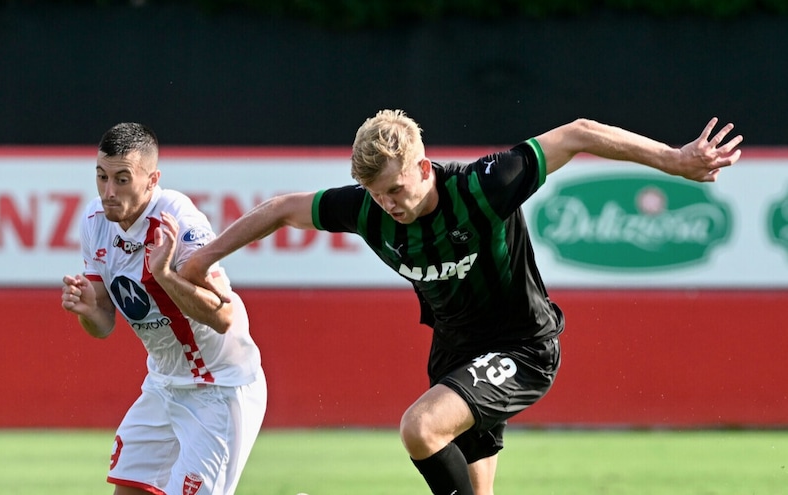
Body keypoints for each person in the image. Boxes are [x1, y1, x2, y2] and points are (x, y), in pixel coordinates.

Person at [178, 110, 742, 495]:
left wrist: (674, 160)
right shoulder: (368, 210)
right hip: (455, 355)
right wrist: (201, 261)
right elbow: (280, 209)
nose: (388, 204)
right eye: (375, 193)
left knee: (420, 429)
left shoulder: (481, 187)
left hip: (521, 348)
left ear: (423, 168)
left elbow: (577, 134)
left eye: (396, 189)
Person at [60, 122, 267, 495]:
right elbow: (104, 325)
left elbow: (222, 317)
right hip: (163, 384)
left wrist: (166, 276)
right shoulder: (94, 221)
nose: (109, 192)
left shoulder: (178, 221)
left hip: (217, 387)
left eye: (122, 179)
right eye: (102, 177)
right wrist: (87, 311)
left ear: (152, 180)